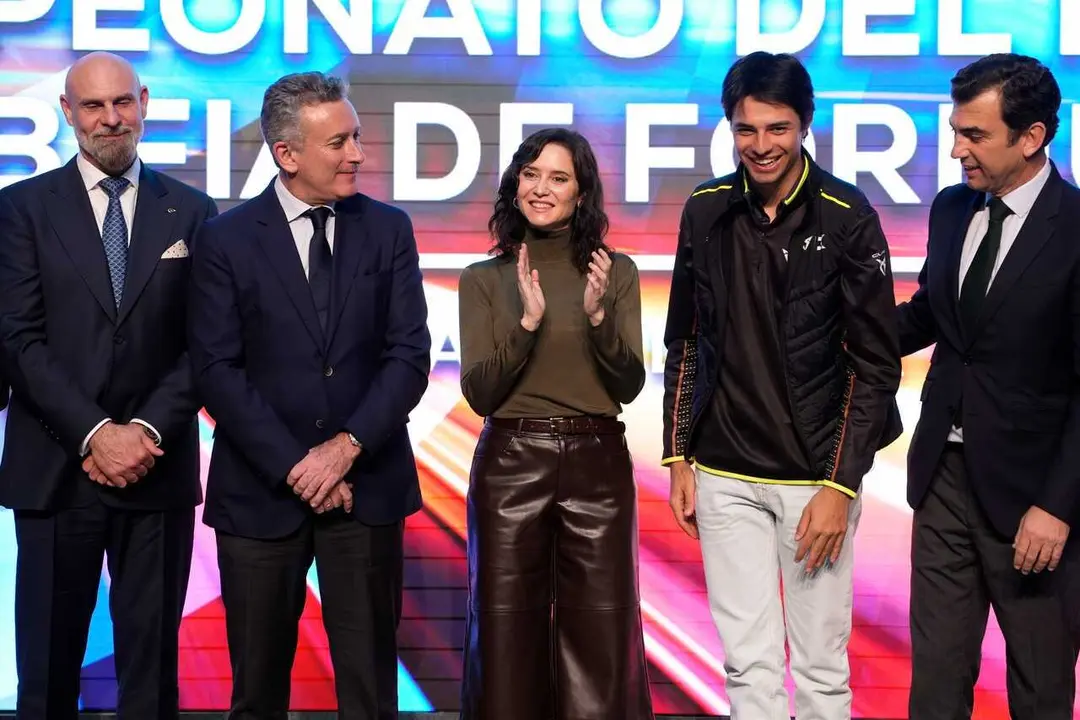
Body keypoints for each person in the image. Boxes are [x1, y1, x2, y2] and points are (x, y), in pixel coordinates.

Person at [662, 52, 902, 720]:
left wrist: (839, 485)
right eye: (747, 129)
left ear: (805, 126)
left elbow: (876, 365)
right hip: (723, 475)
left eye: (778, 128)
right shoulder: (705, 210)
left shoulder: (847, 216)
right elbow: (684, 338)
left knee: (821, 670)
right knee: (748, 666)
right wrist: (679, 456)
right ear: (729, 126)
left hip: (813, 480)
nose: (761, 145)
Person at [188, 71, 430, 720]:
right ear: (287, 154)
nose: (356, 154)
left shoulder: (389, 229)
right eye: (339, 142)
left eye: (356, 137)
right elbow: (217, 370)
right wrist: (302, 467)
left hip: (366, 488)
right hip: (261, 494)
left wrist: (344, 450)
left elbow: (408, 356)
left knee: (369, 691)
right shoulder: (226, 239)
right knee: (257, 690)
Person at [0, 52, 216, 719]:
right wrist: (96, 433)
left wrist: (144, 432)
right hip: (55, 466)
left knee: (150, 676)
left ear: (144, 102)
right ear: (68, 113)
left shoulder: (194, 209)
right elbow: (18, 341)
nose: (110, 119)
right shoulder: (20, 210)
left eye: (121, 102)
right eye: (93, 106)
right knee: (45, 670)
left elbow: (206, 344)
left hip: (157, 467)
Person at [897, 53, 1080, 719]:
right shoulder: (951, 209)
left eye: (974, 136)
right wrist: (834, 336)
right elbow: (931, 314)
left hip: (1033, 498)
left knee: (1039, 688)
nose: (956, 151)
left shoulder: (1076, 227)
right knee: (937, 683)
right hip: (942, 477)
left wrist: (1057, 507)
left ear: (1031, 138)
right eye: (955, 131)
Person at [457, 127, 653, 720]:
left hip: (598, 464)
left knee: (602, 635)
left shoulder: (614, 272)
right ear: (515, 184)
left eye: (559, 177)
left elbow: (629, 385)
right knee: (504, 631)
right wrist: (527, 327)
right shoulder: (484, 278)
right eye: (531, 173)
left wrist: (596, 319)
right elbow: (480, 391)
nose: (541, 188)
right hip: (511, 465)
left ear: (581, 192)